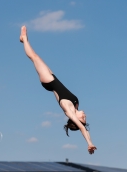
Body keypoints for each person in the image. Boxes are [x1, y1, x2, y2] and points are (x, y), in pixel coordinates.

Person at [20, 26, 97, 154]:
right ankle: (25, 40)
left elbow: (83, 129)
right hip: (54, 79)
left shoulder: (69, 111)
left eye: (83, 119)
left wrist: (89, 143)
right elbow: (86, 130)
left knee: (34, 57)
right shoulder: (76, 106)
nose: (84, 116)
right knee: (36, 57)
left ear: (76, 120)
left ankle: (24, 39)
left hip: (49, 82)